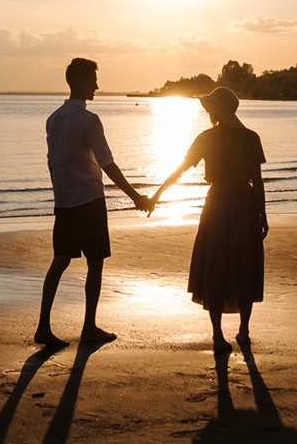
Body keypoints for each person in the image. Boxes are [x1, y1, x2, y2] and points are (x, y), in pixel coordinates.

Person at [34, 57, 154, 348]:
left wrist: (60, 195)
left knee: (60, 261)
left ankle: (43, 326)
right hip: (89, 200)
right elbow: (107, 163)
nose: (97, 87)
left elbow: (52, 163)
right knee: (95, 263)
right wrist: (136, 197)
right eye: (93, 81)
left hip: (65, 202)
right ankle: (88, 326)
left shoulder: (53, 119)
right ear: (79, 82)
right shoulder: (89, 120)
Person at [147, 86, 267, 353]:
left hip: (217, 203)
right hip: (245, 203)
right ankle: (244, 330)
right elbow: (258, 181)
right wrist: (263, 214)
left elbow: (180, 170)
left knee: (216, 264)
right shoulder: (251, 137)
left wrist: (156, 196)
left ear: (215, 111)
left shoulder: (207, 137)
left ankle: (217, 335)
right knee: (244, 264)